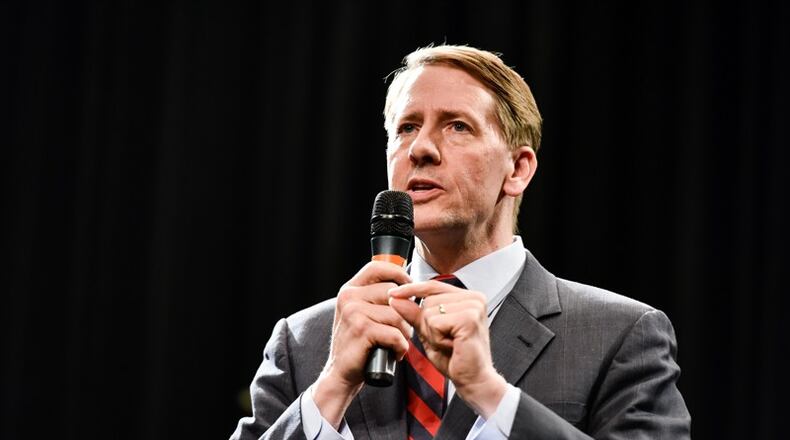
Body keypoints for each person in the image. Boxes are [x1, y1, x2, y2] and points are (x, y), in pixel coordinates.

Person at [230, 44, 691, 439]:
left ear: (517, 169)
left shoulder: (618, 336)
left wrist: (490, 393)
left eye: (457, 126)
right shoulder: (305, 341)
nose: (421, 149)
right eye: (407, 127)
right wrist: (329, 390)